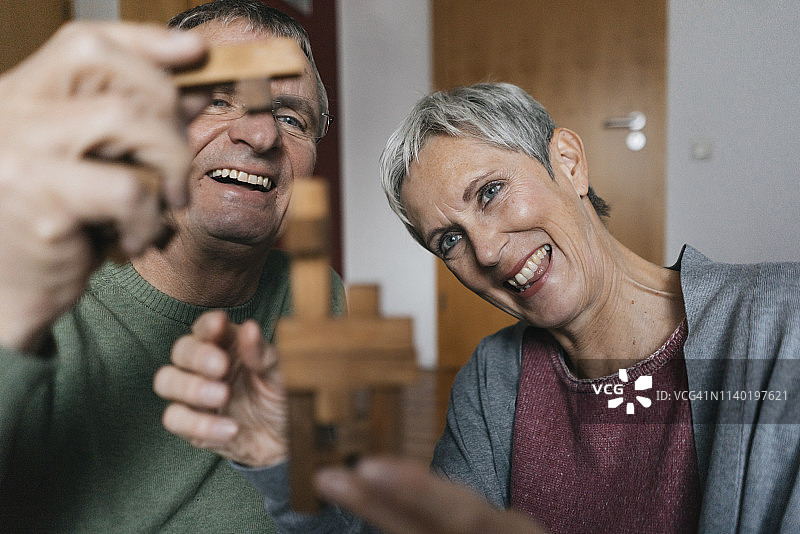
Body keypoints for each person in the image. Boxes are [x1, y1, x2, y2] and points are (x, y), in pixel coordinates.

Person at [167, 81, 800, 534]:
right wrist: (289, 463)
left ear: (568, 163)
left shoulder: (780, 323)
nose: (489, 251)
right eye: (449, 240)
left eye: (491, 191)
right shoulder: (494, 379)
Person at [0, 0, 343, 531]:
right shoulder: (35, 292)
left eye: (290, 118)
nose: (261, 136)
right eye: (217, 100)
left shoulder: (318, 297)